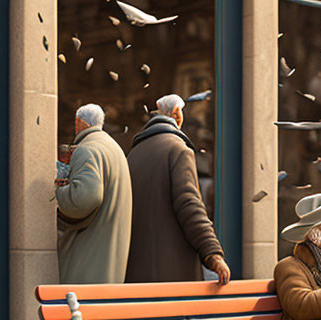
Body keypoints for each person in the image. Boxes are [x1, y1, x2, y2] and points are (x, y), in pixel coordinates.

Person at [124, 94, 230, 284]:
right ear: (177, 116)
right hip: (171, 272)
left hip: (136, 273)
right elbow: (189, 205)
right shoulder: (179, 150)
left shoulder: (133, 154)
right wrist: (212, 253)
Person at [56, 103, 132, 284]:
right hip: (109, 255)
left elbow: (84, 198)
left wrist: (59, 192)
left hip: (88, 257)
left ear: (79, 123)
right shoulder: (114, 147)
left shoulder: (86, 149)